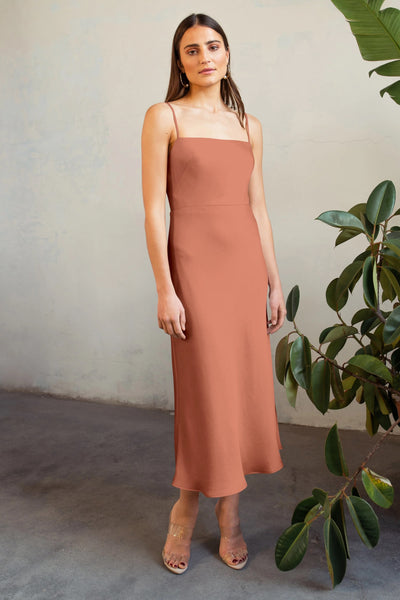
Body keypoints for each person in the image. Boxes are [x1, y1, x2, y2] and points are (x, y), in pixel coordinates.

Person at [141, 13, 286, 574]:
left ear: (228, 54)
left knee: (242, 390)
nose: (205, 56)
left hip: (244, 269)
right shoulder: (164, 117)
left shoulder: (249, 125)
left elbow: (259, 209)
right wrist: (165, 287)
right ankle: (185, 507)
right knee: (205, 393)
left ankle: (231, 513)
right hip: (193, 268)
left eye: (214, 46)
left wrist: (274, 281)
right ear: (180, 62)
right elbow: (155, 208)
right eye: (192, 49)